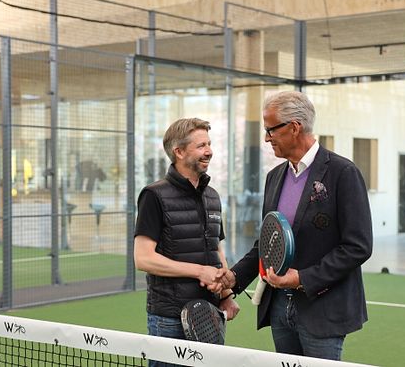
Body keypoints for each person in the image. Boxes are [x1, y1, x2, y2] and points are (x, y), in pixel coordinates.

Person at [218, 91, 373, 360]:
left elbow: (358, 247)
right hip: (279, 308)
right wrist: (234, 278)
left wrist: (302, 278)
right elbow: (268, 243)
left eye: (270, 129)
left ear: (294, 127)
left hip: (323, 310)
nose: (266, 137)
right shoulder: (274, 177)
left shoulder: (343, 173)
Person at [134, 118, 239, 366]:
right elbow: (143, 258)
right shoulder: (153, 195)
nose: (209, 151)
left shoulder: (212, 196)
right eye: (201, 145)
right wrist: (198, 271)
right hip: (169, 317)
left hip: (209, 315)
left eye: (210, 144)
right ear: (178, 152)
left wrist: (225, 294)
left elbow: (215, 247)